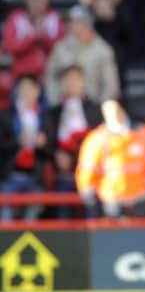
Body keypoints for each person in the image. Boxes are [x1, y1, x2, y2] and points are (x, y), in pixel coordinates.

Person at [76, 100, 145, 218]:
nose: (115, 116)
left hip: (141, 200)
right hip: (110, 201)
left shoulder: (143, 134)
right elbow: (87, 172)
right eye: (109, 113)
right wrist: (91, 199)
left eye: (117, 111)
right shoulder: (97, 138)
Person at [42, 66, 102, 218]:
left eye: (75, 79)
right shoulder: (53, 112)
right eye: (67, 80)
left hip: (90, 172)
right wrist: (56, 154)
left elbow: (102, 140)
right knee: (63, 217)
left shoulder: (95, 110)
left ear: (83, 82)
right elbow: (47, 143)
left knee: (92, 217)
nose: (71, 83)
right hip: (63, 174)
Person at [45, 5, 120, 105]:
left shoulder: (102, 49)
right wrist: (54, 100)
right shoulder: (60, 47)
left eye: (77, 22)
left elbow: (111, 84)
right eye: (71, 22)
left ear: (87, 24)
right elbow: (50, 75)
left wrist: (99, 107)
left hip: (91, 105)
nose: (73, 25)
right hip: (64, 105)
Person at [0, 75, 46, 221]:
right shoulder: (6, 116)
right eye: (22, 89)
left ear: (37, 91)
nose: (26, 93)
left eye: (29, 88)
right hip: (11, 173)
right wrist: (18, 142)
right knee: (5, 217)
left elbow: (51, 147)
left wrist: (42, 144)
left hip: (35, 174)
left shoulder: (45, 116)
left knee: (32, 220)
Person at [2, 0, 65, 80]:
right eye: (35, 0)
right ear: (27, 0)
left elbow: (62, 47)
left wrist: (44, 37)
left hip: (50, 79)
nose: (38, 4)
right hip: (22, 78)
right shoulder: (16, 17)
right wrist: (32, 37)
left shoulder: (54, 18)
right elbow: (9, 46)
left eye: (42, 0)